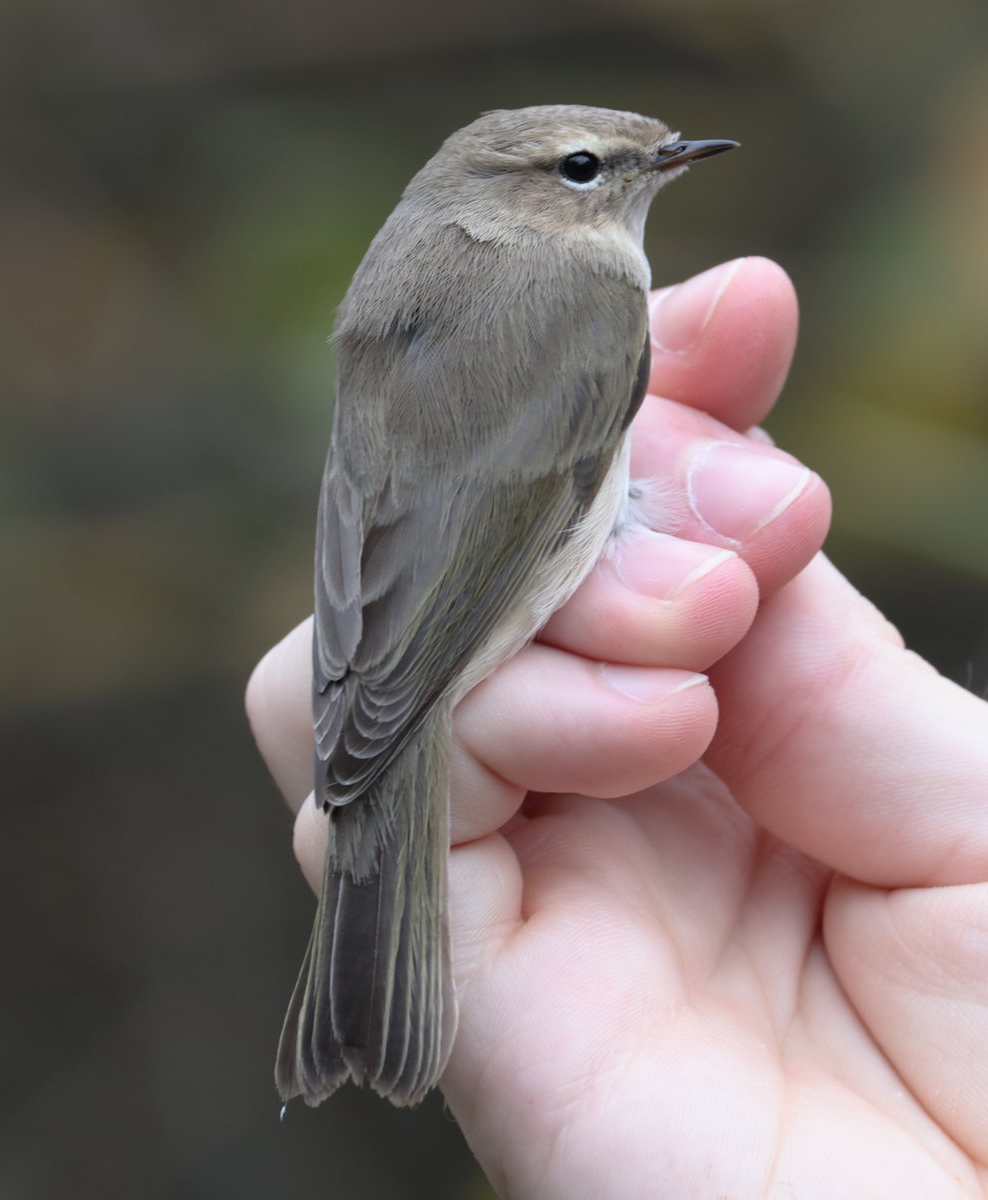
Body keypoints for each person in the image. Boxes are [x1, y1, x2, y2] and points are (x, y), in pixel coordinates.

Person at [247, 258, 988, 1198]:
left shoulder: (485, 304)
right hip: (455, 631)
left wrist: (369, 684)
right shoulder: (583, 297)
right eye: (582, 179)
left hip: (386, 634)